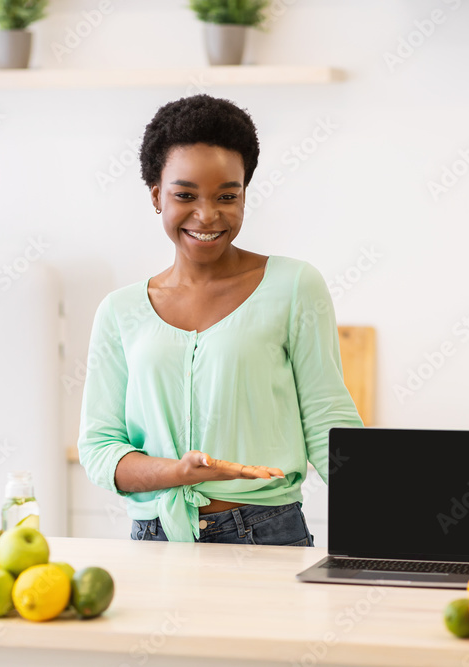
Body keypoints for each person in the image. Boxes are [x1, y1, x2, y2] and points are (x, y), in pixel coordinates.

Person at [77, 94, 363, 545]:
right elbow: (100, 449)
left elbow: (328, 419)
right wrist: (178, 472)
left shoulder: (293, 286)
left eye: (227, 196)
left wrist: (397, 520)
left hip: (267, 535)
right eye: (185, 195)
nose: (207, 215)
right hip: (156, 541)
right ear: (157, 196)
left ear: (245, 194)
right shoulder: (120, 311)